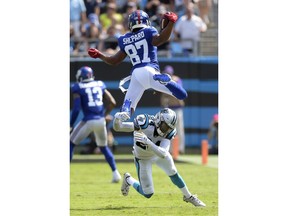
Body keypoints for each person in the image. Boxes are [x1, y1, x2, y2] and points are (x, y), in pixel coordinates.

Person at [88, 10, 187, 122]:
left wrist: (100, 55)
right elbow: (160, 40)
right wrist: (171, 23)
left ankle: (124, 111)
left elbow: (114, 61)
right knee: (182, 95)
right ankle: (167, 80)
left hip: (136, 74)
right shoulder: (149, 31)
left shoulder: (124, 39)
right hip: (151, 71)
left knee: (127, 109)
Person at [113, 108, 206, 207]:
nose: (166, 130)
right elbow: (118, 127)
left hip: (158, 153)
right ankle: (128, 179)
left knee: (173, 172)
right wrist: (117, 118)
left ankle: (188, 196)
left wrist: (149, 143)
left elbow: (163, 153)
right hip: (142, 158)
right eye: (165, 126)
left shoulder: (168, 133)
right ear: (159, 119)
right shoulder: (144, 122)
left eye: (169, 128)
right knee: (148, 193)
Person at [70, 66, 121, 183]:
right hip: (100, 120)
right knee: (103, 147)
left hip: (88, 120)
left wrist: (71, 124)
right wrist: (104, 115)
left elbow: (77, 109)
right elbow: (112, 102)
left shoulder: (78, 87)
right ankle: (116, 173)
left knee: (70, 143)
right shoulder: (99, 84)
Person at [160, 65, 186, 153]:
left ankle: (180, 149)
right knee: (168, 130)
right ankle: (170, 149)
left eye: (167, 73)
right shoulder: (164, 81)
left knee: (179, 129)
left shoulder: (177, 80)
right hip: (169, 109)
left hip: (178, 108)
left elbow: (178, 92)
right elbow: (163, 96)